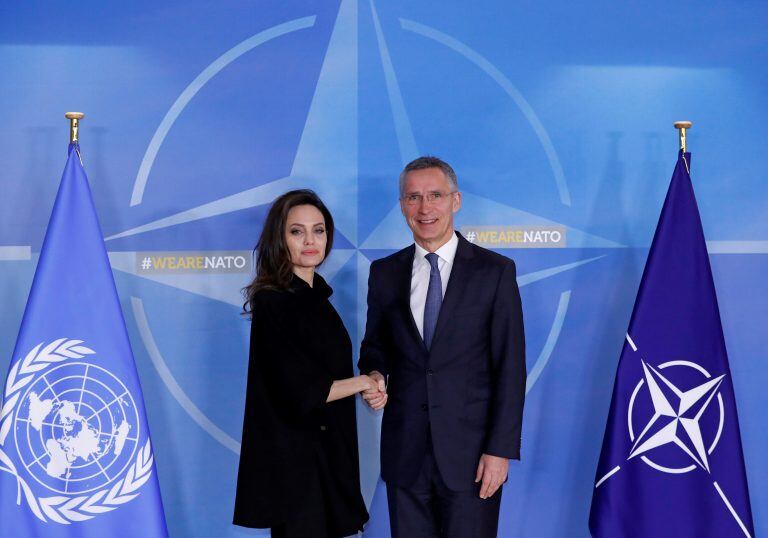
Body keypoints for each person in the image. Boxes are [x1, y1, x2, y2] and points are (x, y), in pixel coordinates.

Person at [359, 156, 526, 537]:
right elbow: (375, 346)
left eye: (435, 195)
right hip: (405, 454)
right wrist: (373, 372)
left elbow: (510, 367)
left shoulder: (495, 272)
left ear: (456, 200)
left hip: (472, 459)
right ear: (402, 205)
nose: (425, 207)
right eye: (413, 197)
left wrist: (499, 451)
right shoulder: (384, 273)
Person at [234, 189, 377, 538]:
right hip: (296, 471)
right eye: (296, 231)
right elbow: (301, 391)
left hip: (329, 460)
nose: (310, 241)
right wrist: (365, 383)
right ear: (279, 239)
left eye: (319, 230)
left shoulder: (318, 298)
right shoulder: (274, 301)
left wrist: (369, 379)